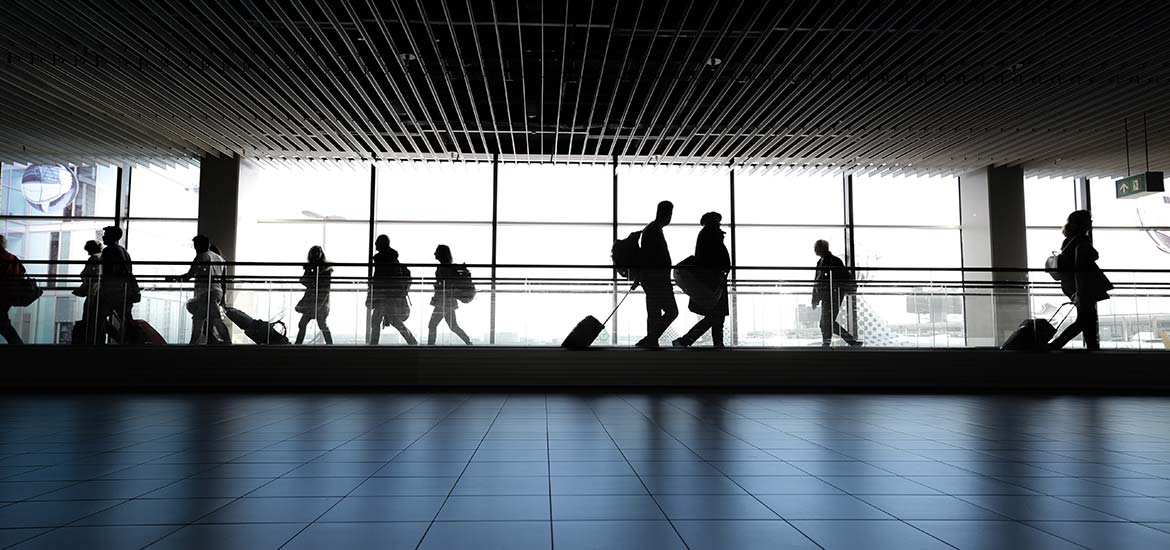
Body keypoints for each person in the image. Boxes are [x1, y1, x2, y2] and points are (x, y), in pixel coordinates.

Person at [1049, 210, 1112, 350]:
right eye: (1089, 219)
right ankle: (1056, 345)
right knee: (1085, 319)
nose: (1091, 222)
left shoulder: (1069, 240)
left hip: (1071, 284)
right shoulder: (1082, 240)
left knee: (1087, 318)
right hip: (1081, 285)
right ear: (1081, 223)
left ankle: (1092, 347)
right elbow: (1080, 267)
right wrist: (1080, 291)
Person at [673, 212, 731, 348]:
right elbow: (715, 259)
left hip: (712, 281)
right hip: (714, 282)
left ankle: (690, 341)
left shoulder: (706, 234)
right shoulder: (712, 235)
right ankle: (688, 341)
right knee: (716, 316)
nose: (719, 224)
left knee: (716, 317)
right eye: (717, 222)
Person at [167, 235, 231, 344]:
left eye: (196, 246)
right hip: (217, 292)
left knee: (212, 320)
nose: (196, 249)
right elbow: (223, 282)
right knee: (200, 319)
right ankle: (193, 344)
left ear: (199, 245)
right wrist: (223, 299)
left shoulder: (201, 257)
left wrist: (174, 278)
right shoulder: (220, 259)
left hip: (206, 293)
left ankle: (228, 344)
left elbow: (189, 275)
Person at [636, 201, 679, 349]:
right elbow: (651, 257)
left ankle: (651, 341)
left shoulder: (651, 229)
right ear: (667, 214)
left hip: (651, 279)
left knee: (654, 312)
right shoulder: (654, 230)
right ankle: (650, 339)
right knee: (672, 311)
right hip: (658, 279)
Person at [369, 235, 417, 345]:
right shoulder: (392, 259)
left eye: (377, 242)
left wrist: (373, 296)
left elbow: (378, 280)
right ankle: (412, 342)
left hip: (385, 296)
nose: (375, 244)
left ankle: (373, 346)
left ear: (381, 244)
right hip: (391, 296)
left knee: (377, 321)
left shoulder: (382, 260)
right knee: (393, 321)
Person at [812, 239, 861, 347]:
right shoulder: (822, 262)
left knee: (826, 322)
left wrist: (815, 298)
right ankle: (847, 342)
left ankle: (828, 342)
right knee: (827, 322)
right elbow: (817, 281)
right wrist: (815, 298)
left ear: (822, 248)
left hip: (833, 296)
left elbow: (818, 281)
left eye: (816, 247)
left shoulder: (832, 261)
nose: (814, 250)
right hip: (828, 296)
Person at [96, 226, 137, 344]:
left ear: (111, 236)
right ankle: (130, 341)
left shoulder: (109, 250)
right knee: (126, 318)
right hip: (124, 290)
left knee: (98, 317)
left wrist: (103, 288)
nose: (103, 236)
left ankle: (118, 339)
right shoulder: (123, 251)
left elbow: (109, 272)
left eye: (106, 234)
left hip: (112, 290)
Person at [427, 244, 472, 345]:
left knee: (432, 325)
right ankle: (468, 342)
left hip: (443, 301)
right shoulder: (449, 267)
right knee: (453, 326)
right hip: (448, 300)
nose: (434, 254)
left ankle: (430, 346)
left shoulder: (444, 268)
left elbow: (444, 283)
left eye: (437, 252)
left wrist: (437, 285)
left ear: (441, 254)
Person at [295, 245, 333, 345]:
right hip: (317, 301)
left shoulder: (322, 271)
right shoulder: (324, 270)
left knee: (309, 324)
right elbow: (304, 280)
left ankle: (298, 344)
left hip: (316, 300)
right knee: (320, 324)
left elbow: (304, 281)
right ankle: (330, 345)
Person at [74, 240, 103, 342]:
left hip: (93, 292)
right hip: (99, 291)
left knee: (89, 317)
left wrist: (82, 289)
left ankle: (88, 341)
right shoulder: (103, 257)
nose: (87, 252)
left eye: (88, 250)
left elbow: (87, 275)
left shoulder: (94, 259)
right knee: (98, 319)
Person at [0, 234, 26, 344]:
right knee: (2, 319)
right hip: (7, 293)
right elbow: (21, 273)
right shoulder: (11, 258)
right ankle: (18, 346)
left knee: (3, 322)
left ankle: (18, 345)